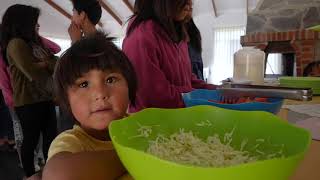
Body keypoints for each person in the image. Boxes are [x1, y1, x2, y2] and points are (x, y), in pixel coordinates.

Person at [42, 32, 136, 180]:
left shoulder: (142, 126)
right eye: (84, 84)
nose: (100, 93)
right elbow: (58, 175)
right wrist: (135, 156)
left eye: (111, 80)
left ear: (129, 86)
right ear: (67, 100)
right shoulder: (72, 143)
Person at [123, 0, 217, 113]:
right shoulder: (141, 36)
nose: (190, 4)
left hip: (178, 119)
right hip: (153, 125)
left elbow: (187, 80)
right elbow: (154, 97)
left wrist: (218, 91)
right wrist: (203, 97)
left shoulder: (177, 34)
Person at [1, 4, 58, 177]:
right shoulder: (15, 44)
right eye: (34, 22)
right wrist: (47, 64)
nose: (37, 26)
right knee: (31, 141)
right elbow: (32, 72)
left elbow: (56, 63)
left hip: (44, 98)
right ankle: (29, 174)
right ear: (23, 23)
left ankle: (48, 171)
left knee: (51, 139)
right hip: (28, 102)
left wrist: (46, 64)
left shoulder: (34, 43)